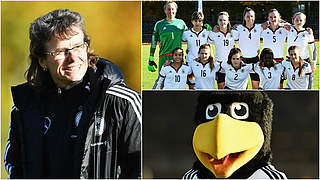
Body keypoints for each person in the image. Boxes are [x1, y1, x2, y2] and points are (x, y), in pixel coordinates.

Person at [3, 9, 141, 179]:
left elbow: (142, 164)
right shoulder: (25, 108)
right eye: (61, 51)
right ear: (42, 60)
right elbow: (14, 165)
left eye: (78, 46)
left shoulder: (122, 102)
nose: (73, 58)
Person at [147, 1, 187, 88]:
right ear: (165, 10)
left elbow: (190, 37)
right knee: (162, 83)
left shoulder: (181, 24)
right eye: (168, 9)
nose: (171, 11)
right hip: (164, 57)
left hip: (177, 57)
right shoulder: (159, 24)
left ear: (176, 10)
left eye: (173, 9)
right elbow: (154, 41)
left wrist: (204, 29)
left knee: (178, 83)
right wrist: (151, 57)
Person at [232, 7, 265, 89]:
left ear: (254, 17)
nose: (250, 18)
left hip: (255, 60)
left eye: (251, 16)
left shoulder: (259, 27)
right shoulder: (239, 28)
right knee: (243, 86)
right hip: (242, 60)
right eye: (247, 16)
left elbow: (271, 23)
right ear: (244, 17)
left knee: (255, 86)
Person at [285, 12, 317, 89]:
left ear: (304, 21)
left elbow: (313, 49)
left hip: (304, 61)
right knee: (291, 83)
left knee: (307, 84)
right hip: (291, 61)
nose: (299, 22)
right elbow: (277, 21)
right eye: (296, 20)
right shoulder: (288, 29)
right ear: (293, 20)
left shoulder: (308, 33)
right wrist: (288, 25)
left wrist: (314, 62)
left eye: (301, 20)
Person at [208, 11, 236, 89]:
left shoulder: (234, 33)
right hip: (219, 64)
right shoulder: (214, 34)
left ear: (228, 21)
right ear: (217, 21)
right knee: (220, 86)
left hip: (231, 63)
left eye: (224, 20)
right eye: (220, 20)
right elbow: (207, 44)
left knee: (233, 85)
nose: (222, 22)